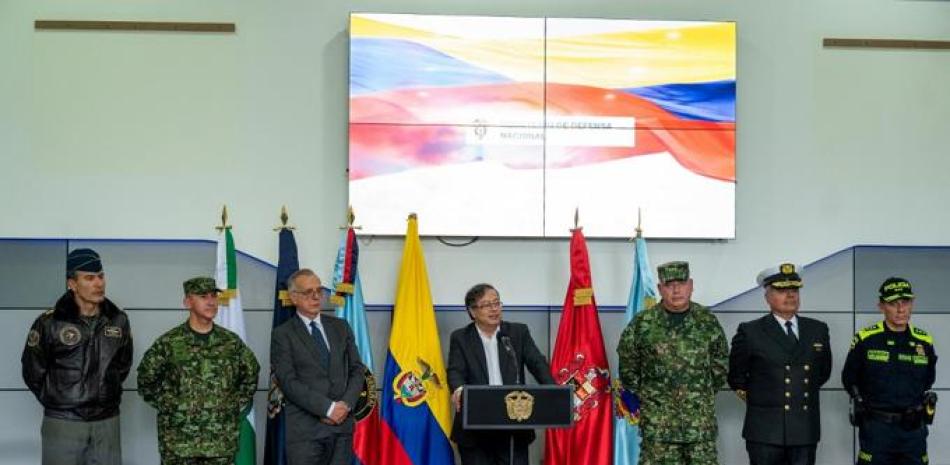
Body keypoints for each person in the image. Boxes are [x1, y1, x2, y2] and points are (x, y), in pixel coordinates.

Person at [21, 248, 133, 465]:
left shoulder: (118, 321)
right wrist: (59, 400)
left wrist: (104, 395)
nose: (99, 283)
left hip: (107, 421)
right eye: (89, 278)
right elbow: (32, 371)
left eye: (101, 276)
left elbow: (122, 366)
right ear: (72, 284)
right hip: (63, 422)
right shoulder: (49, 323)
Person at [137, 276, 260, 465]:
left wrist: (231, 403)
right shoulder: (169, 342)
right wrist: (172, 405)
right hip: (179, 443)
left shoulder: (231, 342)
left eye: (213, 296)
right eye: (203, 296)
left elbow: (251, 372)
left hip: (219, 442)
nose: (211, 302)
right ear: (187, 302)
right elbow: (146, 379)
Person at [616, 261, 728, 465]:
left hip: (699, 427)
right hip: (659, 430)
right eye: (669, 285)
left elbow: (720, 366)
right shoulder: (643, 324)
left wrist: (697, 394)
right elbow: (628, 369)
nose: (676, 290)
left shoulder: (707, 321)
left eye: (681, 283)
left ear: (691, 285)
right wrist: (654, 397)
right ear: (660, 289)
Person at [728, 263, 832, 465]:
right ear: (767, 297)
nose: (790, 295)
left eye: (794, 290)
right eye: (782, 290)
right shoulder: (750, 332)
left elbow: (823, 372)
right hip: (765, 431)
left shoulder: (817, 329)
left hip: (804, 430)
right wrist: (765, 395)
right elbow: (736, 377)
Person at [447, 283, 555, 465]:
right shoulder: (461, 337)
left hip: (513, 423)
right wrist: (458, 390)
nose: (494, 309)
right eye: (486, 305)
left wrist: (552, 390)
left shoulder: (517, 332)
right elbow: (455, 370)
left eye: (496, 303)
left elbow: (537, 363)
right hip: (475, 426)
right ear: (472, 312)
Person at [270, 268, 365, 465]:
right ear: (294, 297)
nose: (316, 297)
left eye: (319, 291)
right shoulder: (283, 334)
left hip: (342, 428)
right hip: (306, 432)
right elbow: (288, 382)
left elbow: (357, 370)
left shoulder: (341, 327)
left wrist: (344, 406)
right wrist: (327, 409)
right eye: (308, 292)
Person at [842, 277, 937, 465]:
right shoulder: (866, 339)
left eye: (906, 302)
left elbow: (928, 380)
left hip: (913, 431)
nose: (901, 309)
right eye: (893, 304)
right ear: (881, 306)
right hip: (877, 430)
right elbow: (849, 379)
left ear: (912, 304)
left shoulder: (924, 341)